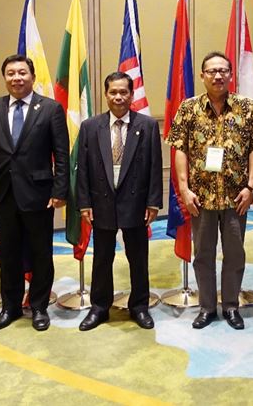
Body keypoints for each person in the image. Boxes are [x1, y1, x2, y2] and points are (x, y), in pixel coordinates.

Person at [168, 51, 253, 330]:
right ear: (202, 76)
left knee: (235, 254)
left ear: (231, 74)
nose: (218, 75)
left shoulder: (247, 107)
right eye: (211, 71)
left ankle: (232, 306)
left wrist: (251, 186)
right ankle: (207, 307)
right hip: (201, 198)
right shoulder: (188, 109)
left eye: (223, 70)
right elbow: (179, 150)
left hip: (236, 197)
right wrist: (185, 190)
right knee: (203, 255)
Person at [0, 55, 69, 332]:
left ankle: (38, 306)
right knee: (8, 254)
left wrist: (60, 190)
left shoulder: (50, 109)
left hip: (39, 194)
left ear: (32, 76)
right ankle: (10, 306)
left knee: (41, 253)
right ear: (5, 78)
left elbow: (61, 154)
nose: (17, 78)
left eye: (22, 73)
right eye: (11, 73)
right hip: (4, 194)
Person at [76, 72, 163, 331]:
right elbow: (82, 170)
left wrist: (153, 202)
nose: (118, 97)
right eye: (113, 92)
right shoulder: (91, 127)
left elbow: (155, 166)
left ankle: (139, 306)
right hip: (101, 202)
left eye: (124, 92)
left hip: (135, 203)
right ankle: (99, 307)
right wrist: (84, 203)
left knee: (138, 258)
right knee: (102, 258)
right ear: (105, 94)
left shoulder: (146, 126)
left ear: (131, 94)